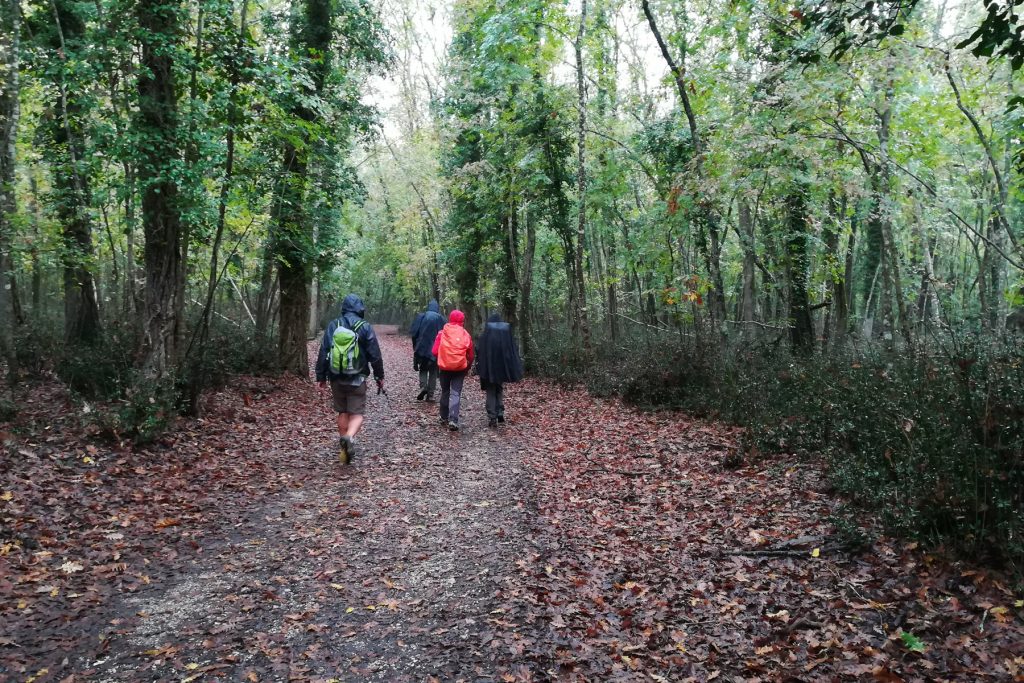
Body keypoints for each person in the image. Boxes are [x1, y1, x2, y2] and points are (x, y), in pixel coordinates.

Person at [315, 294, 384, 464]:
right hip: (357, 377)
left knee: (343, 411)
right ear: (360, 308)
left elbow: (324, 351)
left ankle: (344, 447)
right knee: (357, 413)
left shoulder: (334, 325)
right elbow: (374, 354)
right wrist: (379, 376)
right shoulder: (365, 326)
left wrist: (321, 375)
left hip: (336, 376)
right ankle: (349, 438)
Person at [475, 313, 524, 427]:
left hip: (489, 367)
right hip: (503, 366)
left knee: (491, 390)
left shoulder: (486, 334)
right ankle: (500, 411)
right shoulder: (506, 333)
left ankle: (492, 416)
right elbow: (513, 349)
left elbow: (479, 349)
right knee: (499, 388)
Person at [432, 310, 473, 431]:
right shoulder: (465, 334)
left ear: (450, 319)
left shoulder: (442, 333)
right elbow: (470, 355)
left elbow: (434, 351)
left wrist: (444, 357)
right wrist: (468, 365)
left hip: (444, 368)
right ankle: (453, 419)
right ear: (462, 320)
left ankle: (443, 417)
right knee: (455, 393)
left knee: (445, 391)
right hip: (460, 368)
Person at [409, 300, 444, 401]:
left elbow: (414, 334)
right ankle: (430, 395)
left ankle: (423, 387)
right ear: (437, 308)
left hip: (422, 348)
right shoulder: (441, 319)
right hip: (435, 350)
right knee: (433, 371)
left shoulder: (421, 316)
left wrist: (415, 348)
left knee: (423, 369)